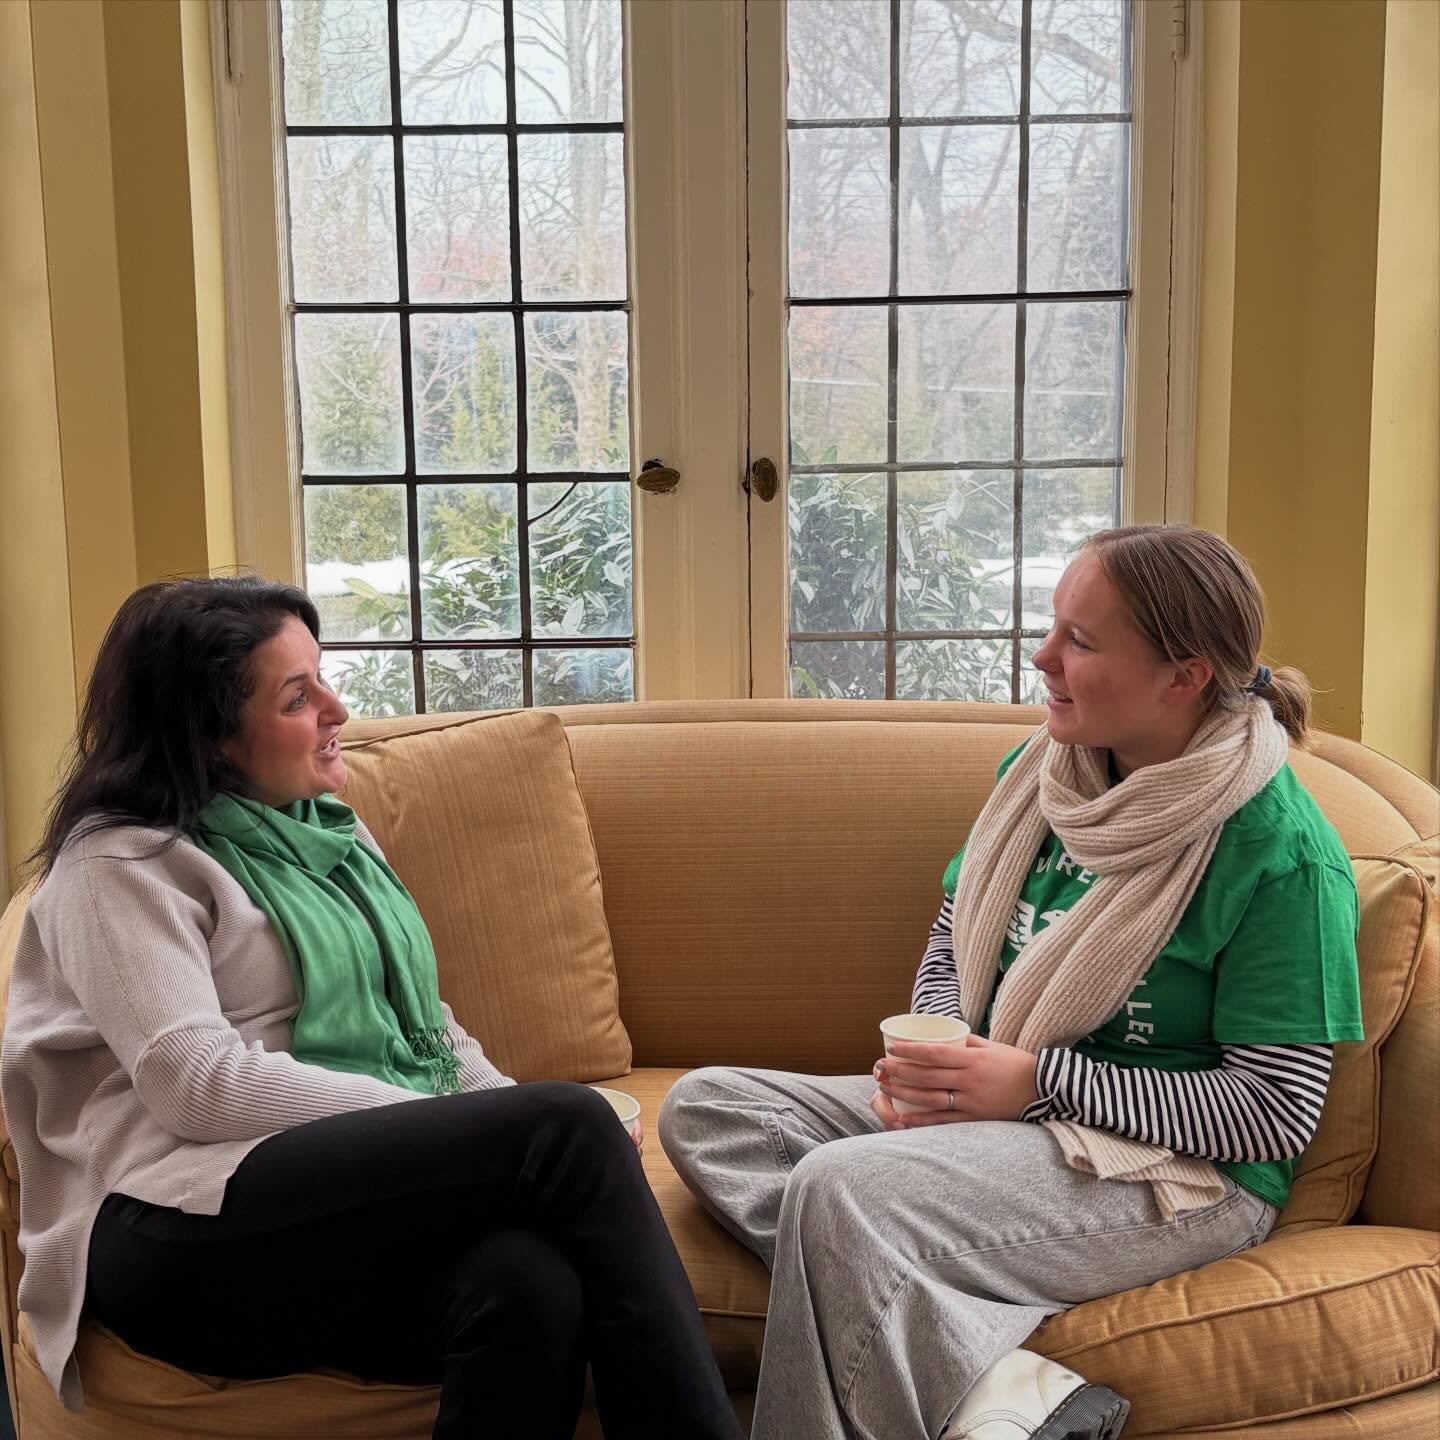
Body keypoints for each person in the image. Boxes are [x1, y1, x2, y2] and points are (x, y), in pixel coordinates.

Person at [660, 525, 1362, 1440]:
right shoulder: (1043, 778)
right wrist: (944, 1059)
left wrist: (1034, 1087)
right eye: (1053, 626)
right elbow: (955, 935)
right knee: (710, 1111)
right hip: (1008, 1107)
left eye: (1082, 640)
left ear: (1183, 677)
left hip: (1181, 1177)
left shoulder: (1281, 857)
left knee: (839, 1190)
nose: (1042, 657)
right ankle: (1013, 1386)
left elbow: (1272, 1114)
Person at [1, 576, 742, 1440]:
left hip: (318, 1206)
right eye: (297, 697)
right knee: (567, 1126)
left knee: (526, 1284)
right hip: (171, 1225)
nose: (338, 709)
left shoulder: (333, 835)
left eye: (323, 678)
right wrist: (451, 1127)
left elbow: (428, 1027)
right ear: (209, 738)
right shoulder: (118, 868)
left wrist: (486, 1120)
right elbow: (195, 1086)